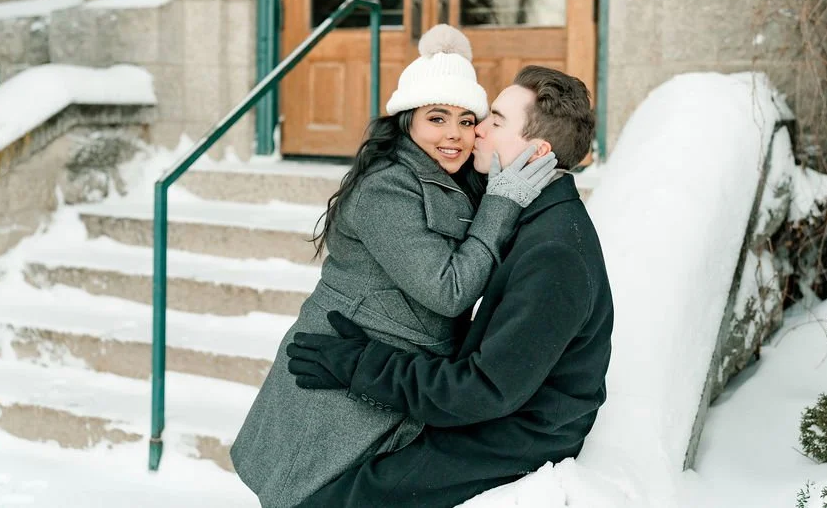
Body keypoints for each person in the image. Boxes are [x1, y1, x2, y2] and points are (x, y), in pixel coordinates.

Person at [230, 26, 558, 508]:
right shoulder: (388, 189)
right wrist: (503, 203)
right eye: (437, 117)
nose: (454, 134)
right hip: (336, 378)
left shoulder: (456, 179)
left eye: (467, 120)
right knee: (311, 497)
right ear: (406, 120)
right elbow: (449, 290)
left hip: (389, 376)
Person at [285, 65, 614, 508]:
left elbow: (482, 390)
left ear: (535, 152)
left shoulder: (554, 254)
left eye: (494, 121)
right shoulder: (530, 212)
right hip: (497, 410)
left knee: (336, 500)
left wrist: (362, 365)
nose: (475, 129)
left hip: (516, 434)